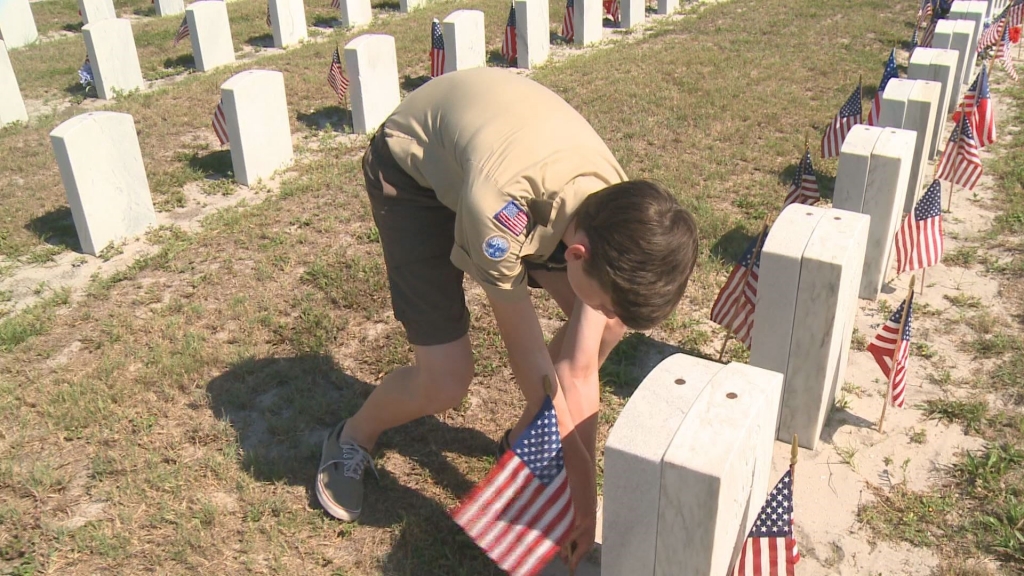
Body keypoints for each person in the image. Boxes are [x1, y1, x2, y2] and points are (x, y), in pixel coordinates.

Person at [316, 67, 698, 569]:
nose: (606, 314)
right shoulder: (498, 214)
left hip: (506, 174)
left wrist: (578, 495)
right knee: (447, 379)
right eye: (604, 299)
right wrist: (580, 490)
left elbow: (578, 370)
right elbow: (533, 364)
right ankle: (352, 436)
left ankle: (521, 447)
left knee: (603, 331)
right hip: (414, 175)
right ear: (578, 254)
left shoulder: (616, 204)